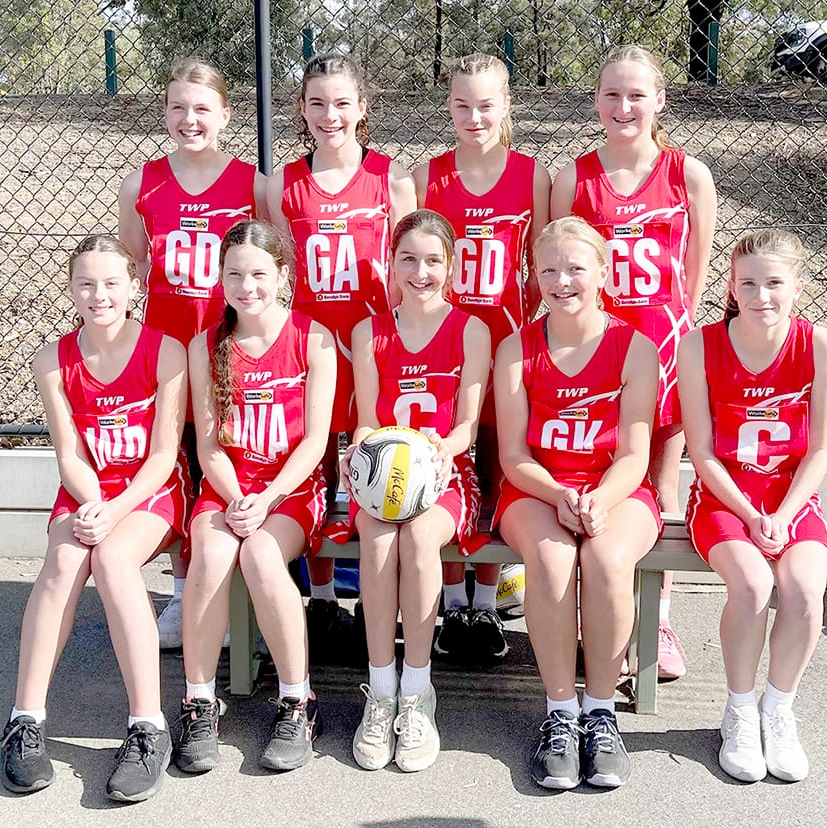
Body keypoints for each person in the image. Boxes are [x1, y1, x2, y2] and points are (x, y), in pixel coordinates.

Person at [0, 236, 188, 802]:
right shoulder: (52, 360)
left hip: (149, 489)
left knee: (113, 559)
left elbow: (163, 456)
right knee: (61, 564)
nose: (99, 295)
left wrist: (116, 510)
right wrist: (92, 503)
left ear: (134, 286)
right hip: (88, 489)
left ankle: (147, 725)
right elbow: (70, 454)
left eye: (110, 283)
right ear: (72, 289)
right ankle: (24, 720)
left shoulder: (166, 351)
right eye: (86, 284)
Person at [551, 44, 717, 679]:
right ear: (596, 101)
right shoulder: (574, 178)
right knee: (593, 480)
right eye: (612, 94)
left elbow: (693, 278)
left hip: (662, 350)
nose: (624, 106)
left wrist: (672, 342)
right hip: (595, 355)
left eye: (637, 95)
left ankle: (659, 619)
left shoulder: (687, 174)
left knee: (660, 486)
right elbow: (559, 267)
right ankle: (589, 618)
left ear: (660, 101)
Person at [494, 217, 660, 789]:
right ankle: (561, 712)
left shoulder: (635, 348)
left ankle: (602, 712)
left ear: (604, 273)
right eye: (548, 270)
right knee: (551, 559)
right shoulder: (515, 349)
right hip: (537, 487)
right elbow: (513, 455)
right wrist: (560, 494)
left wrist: (599, 499)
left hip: (617, 486)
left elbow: (635, 455)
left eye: (575, 269)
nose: (561, 281)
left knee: (607, 561)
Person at [677, 229, 827, 783]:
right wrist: (750, 515)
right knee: (752, 585)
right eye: (747, 283)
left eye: (774, 282)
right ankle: (740, 711)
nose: (761, 296)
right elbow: (701, 451)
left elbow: (819, 449)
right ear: (731, 286)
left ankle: (778, 708)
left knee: (804, 591)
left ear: (798, 286)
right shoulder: (699, 345)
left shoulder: (820, 345)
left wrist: (785, 513)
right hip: (725, 498)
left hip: (791, 497)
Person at [174, 220, 336, 774]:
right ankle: (199, 701)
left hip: (290, 487)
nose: (247, 286)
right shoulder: (205, 345)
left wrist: (266, 497)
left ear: (283, 275)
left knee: (263, 555)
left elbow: (315, 442)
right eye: (235, 274)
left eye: (260, 274)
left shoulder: (313, 339)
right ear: (220, 278)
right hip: (229, 484)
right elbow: (207, 444)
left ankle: (298, 700)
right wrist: (240, 495)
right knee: (211, 553)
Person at [268, 53, 417, 645]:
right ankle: (323, 596)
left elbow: (410, 268)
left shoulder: (391, 179)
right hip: (311, 341)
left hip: (374, 341)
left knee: (373, 459)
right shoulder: (282, 183)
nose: (330, 115)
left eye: (342, 103)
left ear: (362, 107)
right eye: (317, 103)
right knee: (318, 463)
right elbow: (277, 269)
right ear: (302, 109)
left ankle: (386, 596)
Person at [119, 57, 267, 649]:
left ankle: (242, 597)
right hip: (171, 354)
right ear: (164, 113)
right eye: (178, 107)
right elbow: (135, 269)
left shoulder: (253, 185)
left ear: (225, 116)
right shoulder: (142, 184)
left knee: (234, 463)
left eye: (202, 108)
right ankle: (185, 595)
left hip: (232, 350)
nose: (190, 119)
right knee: (181, 465)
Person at [414, 52, 550, 665]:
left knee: (496, 470)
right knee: (442, 468)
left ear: (506, 107)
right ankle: (450, 602)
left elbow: (541, 270)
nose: (474, 117)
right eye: (462, 105)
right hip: (444, 344)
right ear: (448, 107)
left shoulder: (532, 176)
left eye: (486, 105)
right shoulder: (429, 175)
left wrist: (526, 334)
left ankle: (487, 603)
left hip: (507, 341)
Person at [343, 209, 489, 772]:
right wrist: (361, 451)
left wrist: (437, 452)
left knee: (421, 537)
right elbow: (366, 420)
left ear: (450, 266)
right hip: (385, 475)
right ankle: (381, 691)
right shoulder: (368, 332)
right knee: (380, 540)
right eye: (408, 259)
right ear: (391, 263)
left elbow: (467, 426)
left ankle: (417, 690)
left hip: (446, 473)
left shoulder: (471, 330)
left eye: (432, 260)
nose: (420, 272)